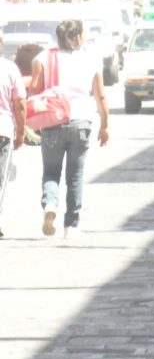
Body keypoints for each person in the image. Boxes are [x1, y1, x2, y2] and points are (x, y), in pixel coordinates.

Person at [29, 19, 110, 239]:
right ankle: (71, 226)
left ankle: (50, 206)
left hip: (53, 120)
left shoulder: (44, 57)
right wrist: (105, 125)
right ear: (78, 37)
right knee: (75, 176)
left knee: (51, 171)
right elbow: (100, 95)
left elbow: (34, 89)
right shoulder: (91, 58)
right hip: (82, 121)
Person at [0, 28, 26, 239]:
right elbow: (20, 104)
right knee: (0, 178)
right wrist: (21, 131)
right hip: (3, 131)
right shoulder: (9, 68)